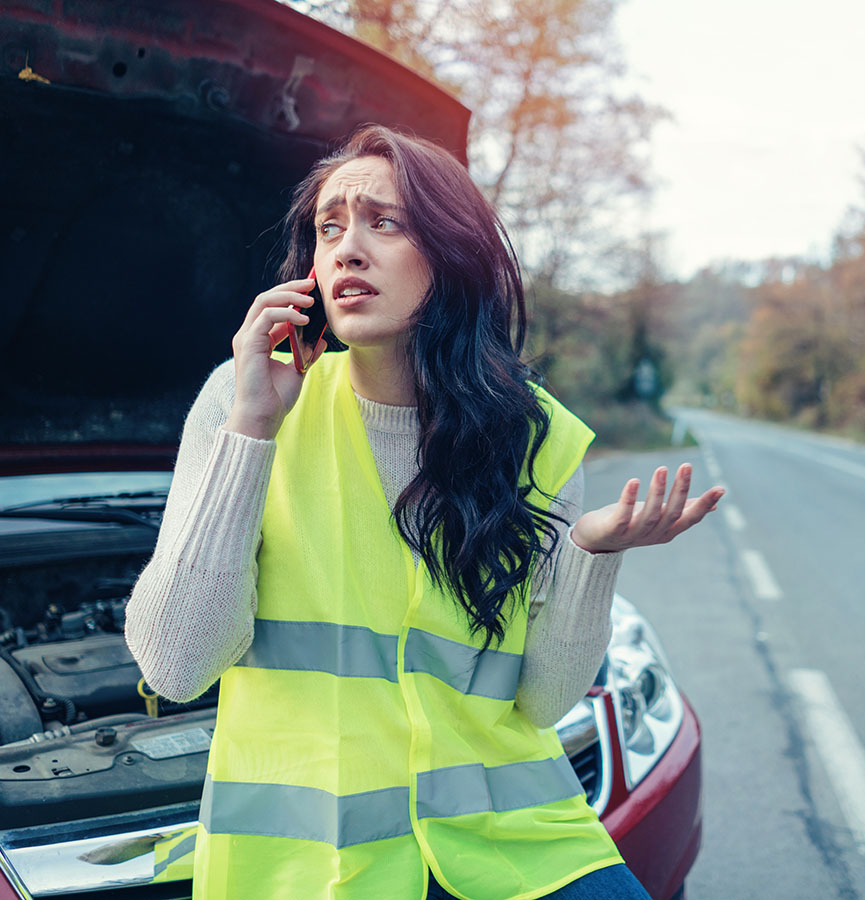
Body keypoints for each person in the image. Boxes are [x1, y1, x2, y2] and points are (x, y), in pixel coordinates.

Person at [125, 124, 723, 900]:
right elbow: (175, 665)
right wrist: (252, 431)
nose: (345, 249)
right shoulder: (246, 401)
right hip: (316, 868)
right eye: (329, 227)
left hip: (515, 849)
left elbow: (543, 702)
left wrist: (590, 552)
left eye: (384, 222)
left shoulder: (534, 435)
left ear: (450, 256)